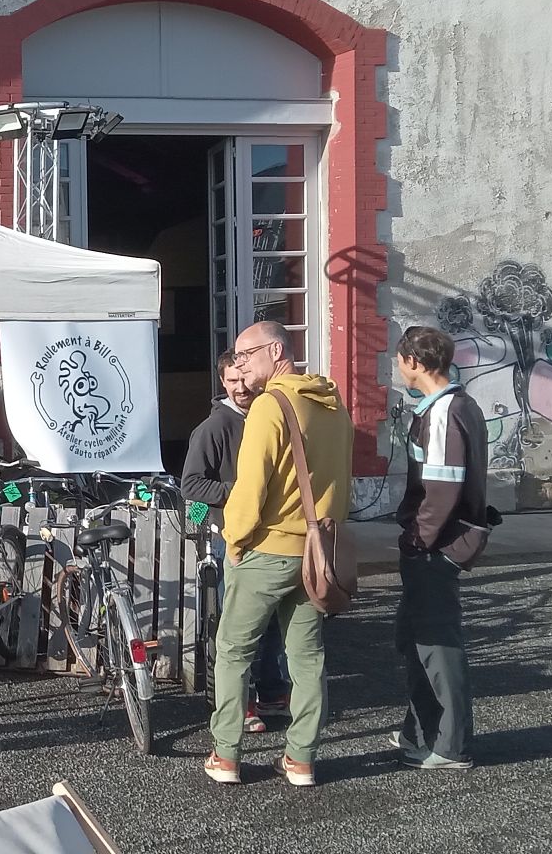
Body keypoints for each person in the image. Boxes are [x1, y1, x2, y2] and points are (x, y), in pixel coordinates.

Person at [203, 321, 352, 789]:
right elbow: (343, 480)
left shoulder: (270, 405)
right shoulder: (331, 404)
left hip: (266, 550)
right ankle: (301, 759)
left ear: (275, 351)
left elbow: (250, 488)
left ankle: (226, 755)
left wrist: (235, 540)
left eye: (246, 355)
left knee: (233, 651)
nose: (241, 365)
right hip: (314, 553)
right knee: (307, 657)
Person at [390, 326, 486, 771]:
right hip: (440, 543)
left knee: (436, 644)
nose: (397, 367)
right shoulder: (461, 405)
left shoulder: (445, 411)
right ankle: (422, 733)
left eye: (399, 359)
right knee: (419, 639)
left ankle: (448, 745)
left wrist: (417, 541)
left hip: (436, 547)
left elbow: (442, 489)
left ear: (413, 361)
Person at [182, 351, 290, 734]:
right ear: (222, 382)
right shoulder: (213, 428)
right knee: (240, 627)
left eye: (244, 379)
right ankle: (242, 703)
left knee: (273, 621)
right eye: (232, 380)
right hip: (232, 539)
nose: (241, 387)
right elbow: (191, 485)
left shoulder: (269, 415)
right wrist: (240, 492)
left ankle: (273, 691)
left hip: (273, 535)